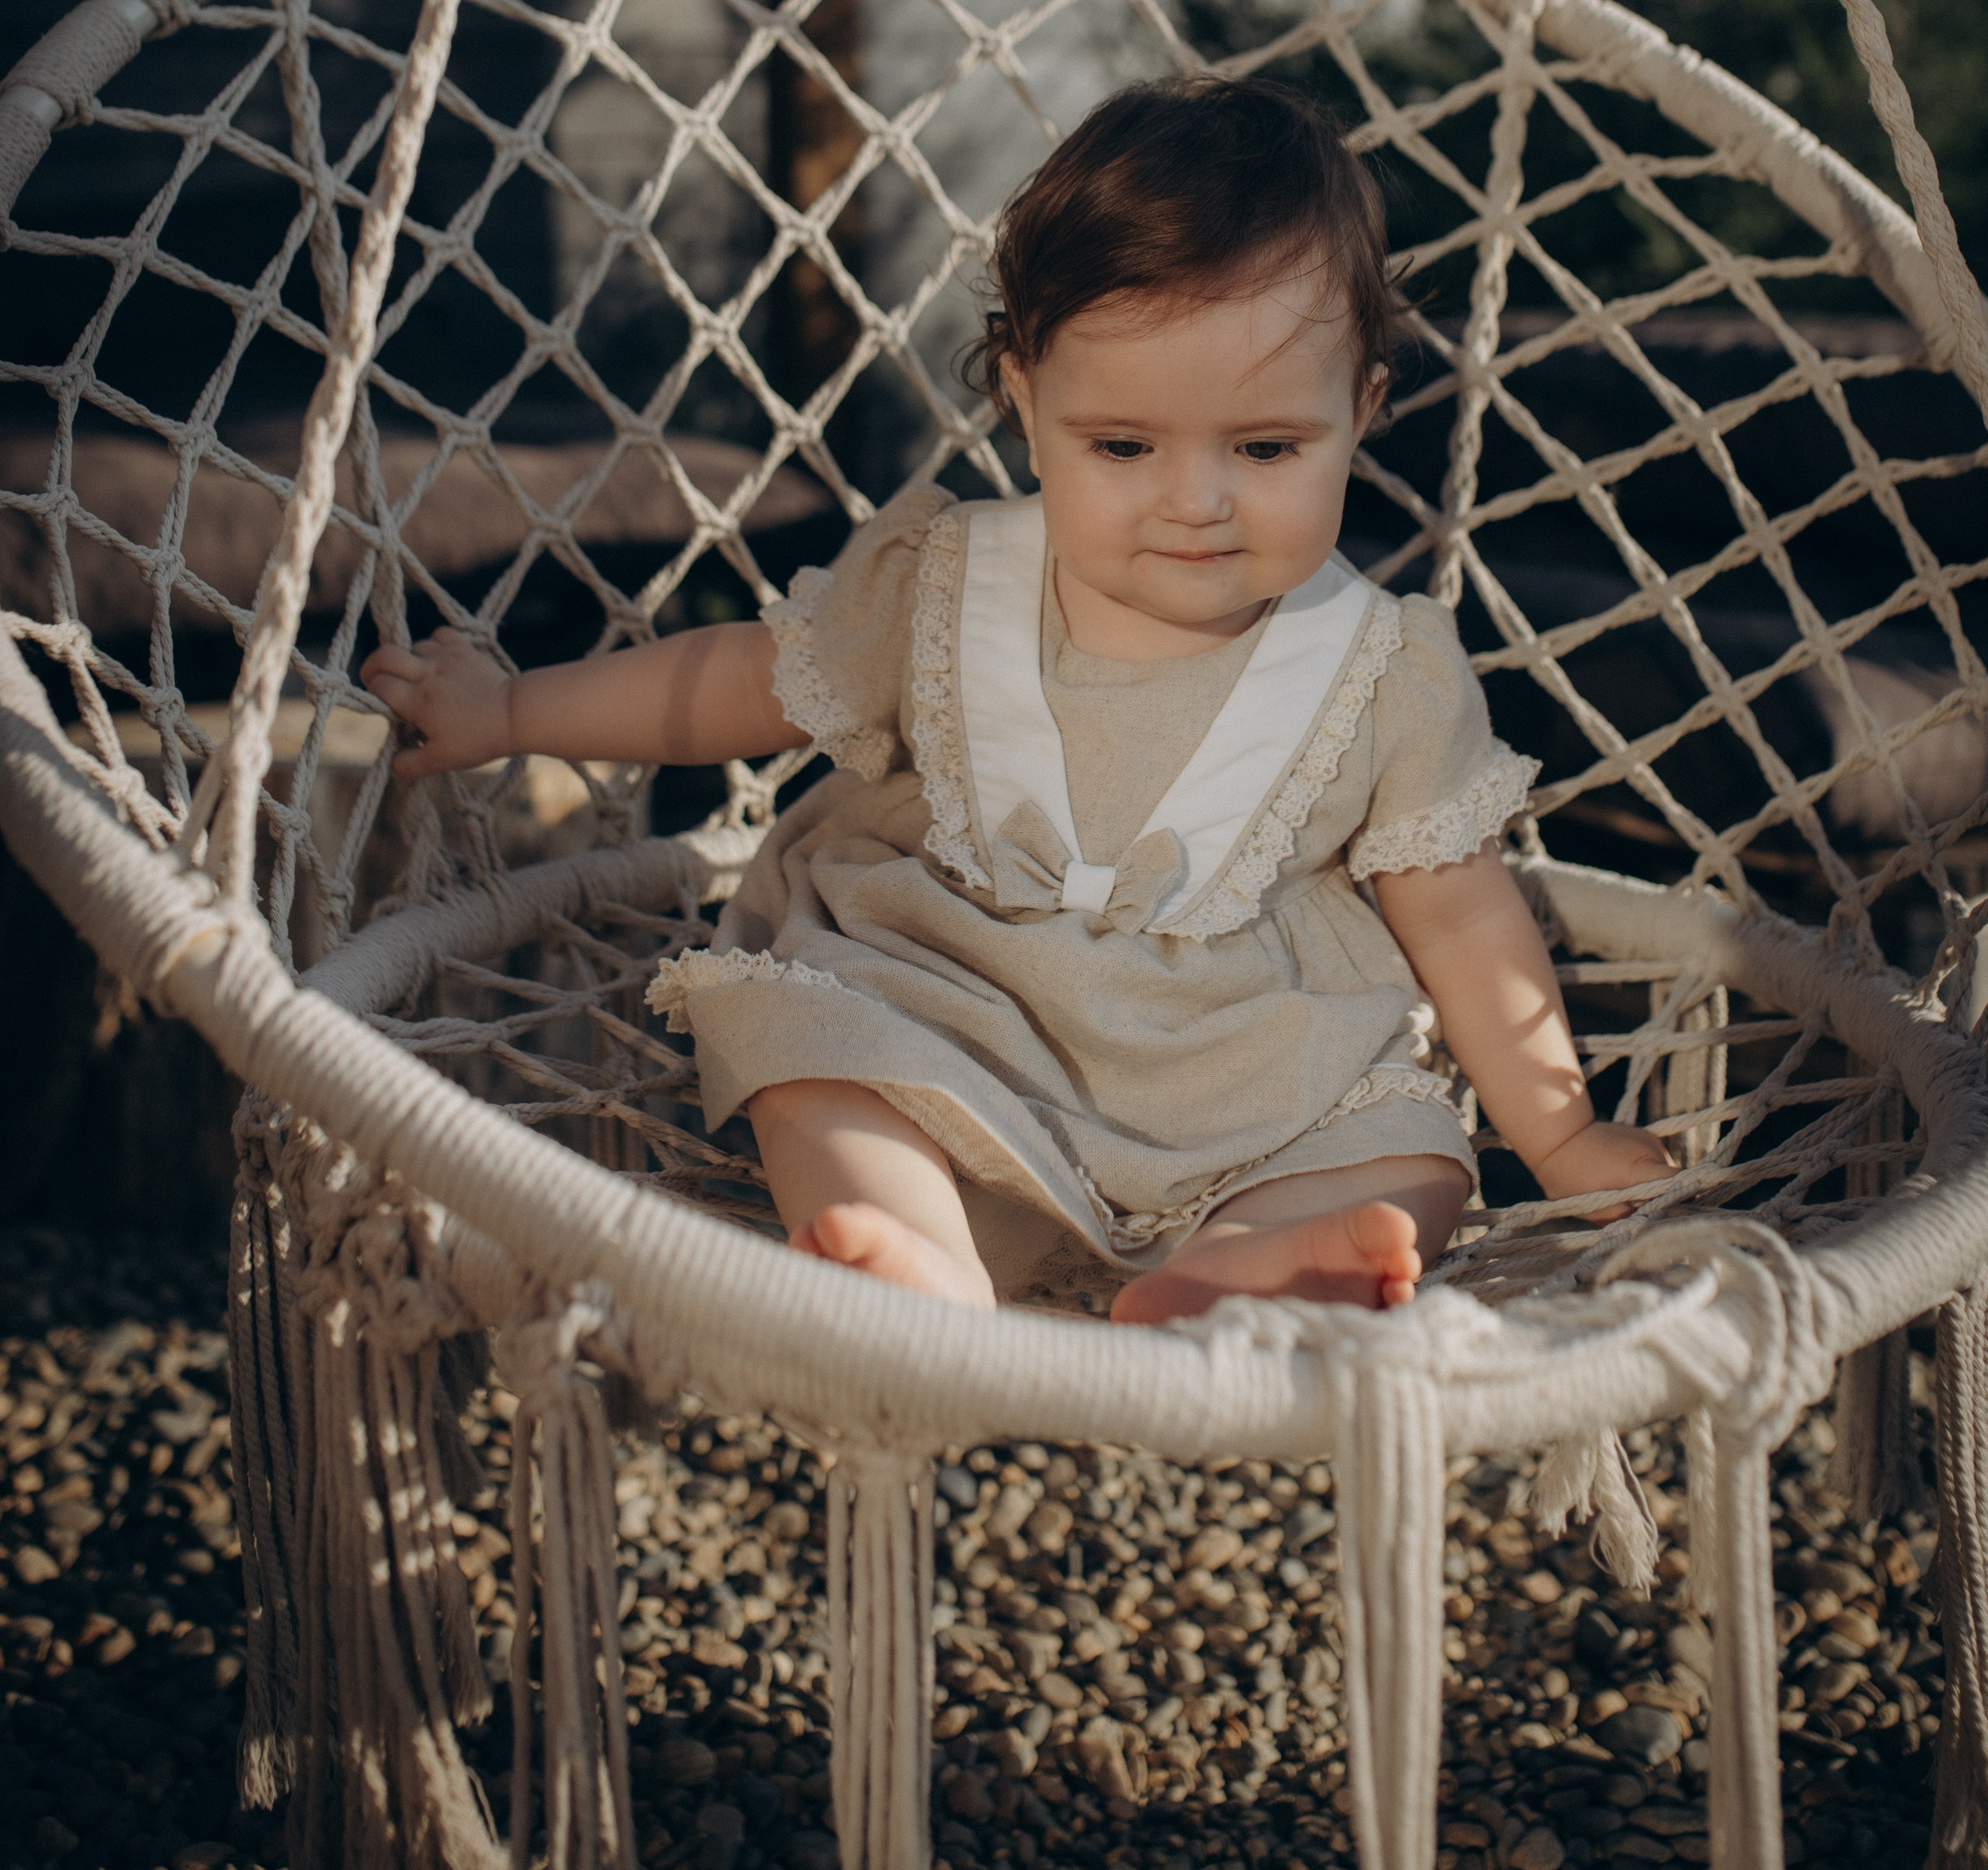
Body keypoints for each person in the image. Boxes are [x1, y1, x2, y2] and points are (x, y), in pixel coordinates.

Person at [363, 76, 1674, 1319]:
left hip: (1246, 1073)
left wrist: (1554, 1130)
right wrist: (519, 711)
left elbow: (1460, 913)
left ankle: (1234, 1274)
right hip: (947, 1016)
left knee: (1413, 1152)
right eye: (1122, 447)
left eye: (1268, 448)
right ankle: (913, 1258)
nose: (1196, 500)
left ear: (1364, 406)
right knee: (813, 1050)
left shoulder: (1385, 663)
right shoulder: (947, 579)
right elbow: (741, 684)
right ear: (1023, 400)